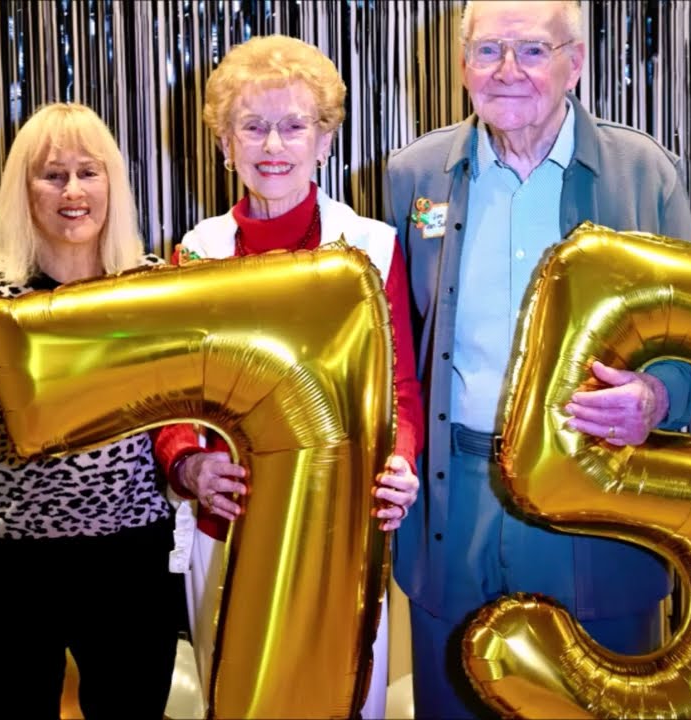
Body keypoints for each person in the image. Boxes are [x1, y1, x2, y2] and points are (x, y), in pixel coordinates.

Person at [384, 1, 691, 716]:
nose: (507, 72)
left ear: (577, 62)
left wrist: (656, 400)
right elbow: (393, 349)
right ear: (461, 62)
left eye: (532, 50)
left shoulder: (643, 174)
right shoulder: (413, 178)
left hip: (598, 498)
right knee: (456, 698)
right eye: (487, 51)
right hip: (457, 502)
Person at [154, 34, 425, 718]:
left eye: (294, 125)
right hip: (226, 532)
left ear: (325, 140)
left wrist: (401, 460)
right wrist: (187, 465)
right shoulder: (197, 251)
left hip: (343, 532)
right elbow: (172, 398)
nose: (273, 145)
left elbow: (399, 390)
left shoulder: (371, 246)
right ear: (225, 143)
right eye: (253, 126)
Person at [0, 102, 181, 719]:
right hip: (8, 574)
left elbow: (186, 424)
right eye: (53, 175)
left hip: (131, 564)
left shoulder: (154, 289)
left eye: (90, 171)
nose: (74, 191)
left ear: (113, 182)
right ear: (22, 192)